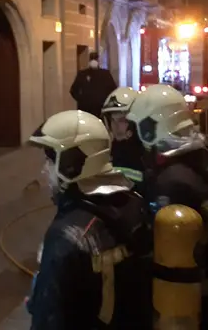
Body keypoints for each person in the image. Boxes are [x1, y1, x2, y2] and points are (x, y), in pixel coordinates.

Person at [126, 84, 208, 330]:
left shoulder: (171, 182)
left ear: (151, 127)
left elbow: (158, 240)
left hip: (186, 297)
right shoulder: (203, 159)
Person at [26, 110, 152, 329]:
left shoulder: (67, 235)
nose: (44, 170)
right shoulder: (134, 205)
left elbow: (49, 320)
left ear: (71, 163)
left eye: (50, 159)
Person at [101, 87, 146, 196]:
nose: (115, 127)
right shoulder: (109, 151)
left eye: (122, 120)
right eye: (112, 120)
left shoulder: (144, 155)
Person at [69, 52, 118, 118]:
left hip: (100, 109)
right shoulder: (82, 74)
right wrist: (82, 100)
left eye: (95, 58)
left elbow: (113, 90)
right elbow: (73, 90)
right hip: (87, 109)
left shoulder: (105, 74)